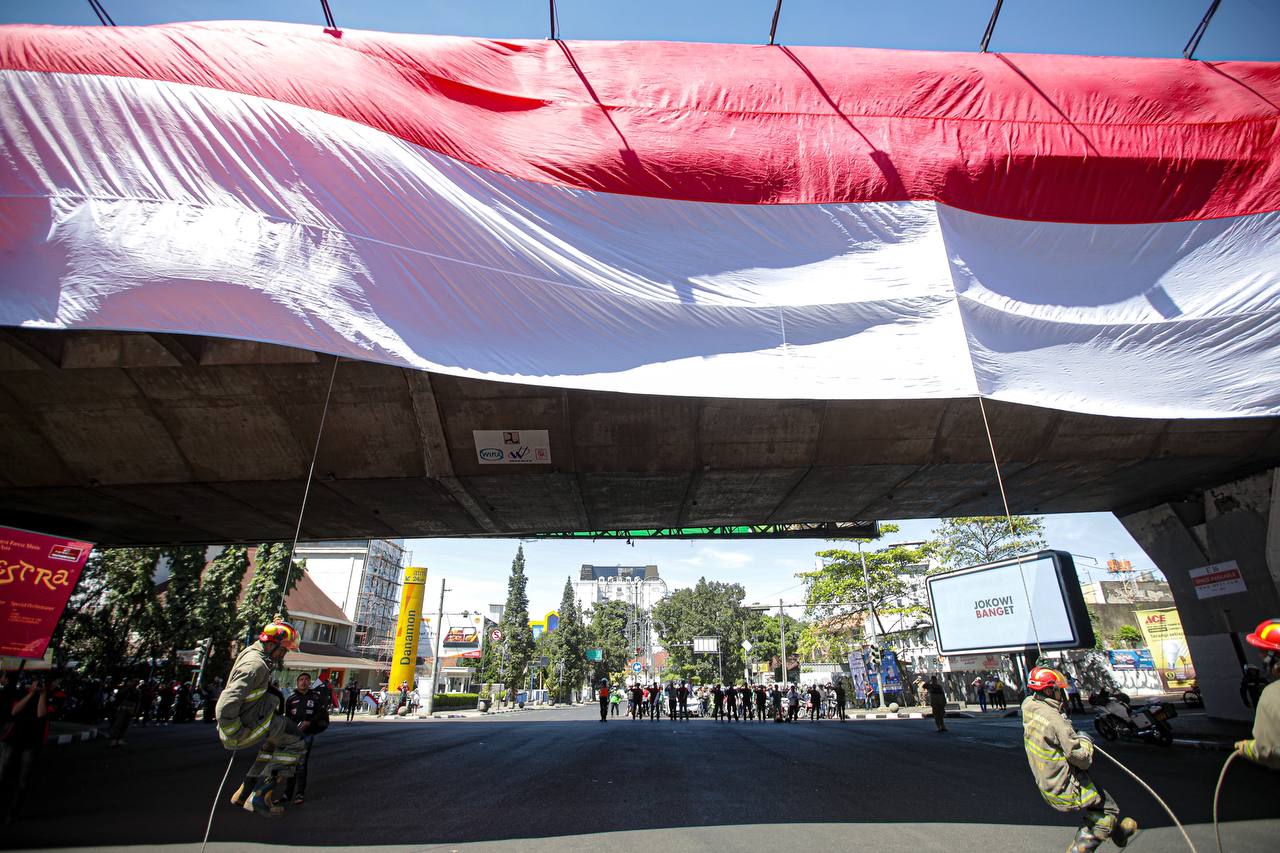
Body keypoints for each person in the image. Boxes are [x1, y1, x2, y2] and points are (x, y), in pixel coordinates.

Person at [1021, 666, 1138, 852]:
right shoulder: (1055, 720)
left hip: (1047, 780)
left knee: (1103, 804)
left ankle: (1119, 834)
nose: (1062, 693)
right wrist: (1085, 740)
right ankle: (1080, 849)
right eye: (1058, 689)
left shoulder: (1029, 706)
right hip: (1066, 784)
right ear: (1049, 690)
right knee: (1106, 811)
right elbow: (1081, 759)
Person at [217, 619, 308, 818]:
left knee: (271, 747)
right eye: (282, 650)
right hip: (251, 725)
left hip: (258, 717)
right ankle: (260, 796)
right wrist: (235, 732)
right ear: (271, 644)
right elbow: (226, 704)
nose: (283, 655)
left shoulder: (255, 652)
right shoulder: (255, 665)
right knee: (297, 743)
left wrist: (278, 622)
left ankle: (245, 791)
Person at [0, 673, 56, 824]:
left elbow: (41, 714)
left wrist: (42, 694)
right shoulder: (21, 693)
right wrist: (30, 694)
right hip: (13, 738)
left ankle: (13, 812)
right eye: (35, 682)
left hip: (32, 742)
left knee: (23, 780)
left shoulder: (49, 696)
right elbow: (14, 711)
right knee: (2, 774)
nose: (36, 685)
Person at [1235, 618, 1280, 769]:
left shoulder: (1272, 694)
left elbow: (1268, 750)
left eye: (1262, 652)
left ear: (1273, 656)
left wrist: (1248, 748)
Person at [282, 673, 329, 805]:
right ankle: (287, 793)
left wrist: (310, 723)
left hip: (307, 735)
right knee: (290, 764)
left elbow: (321, 715)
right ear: (297, 683)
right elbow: (287, 718)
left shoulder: (316, 698)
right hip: (292, 736)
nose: (303, 682)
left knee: (301, 764)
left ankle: (299, 793)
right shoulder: (291, 699)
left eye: (306, 680)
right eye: (301, 680)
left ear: (310, 682)